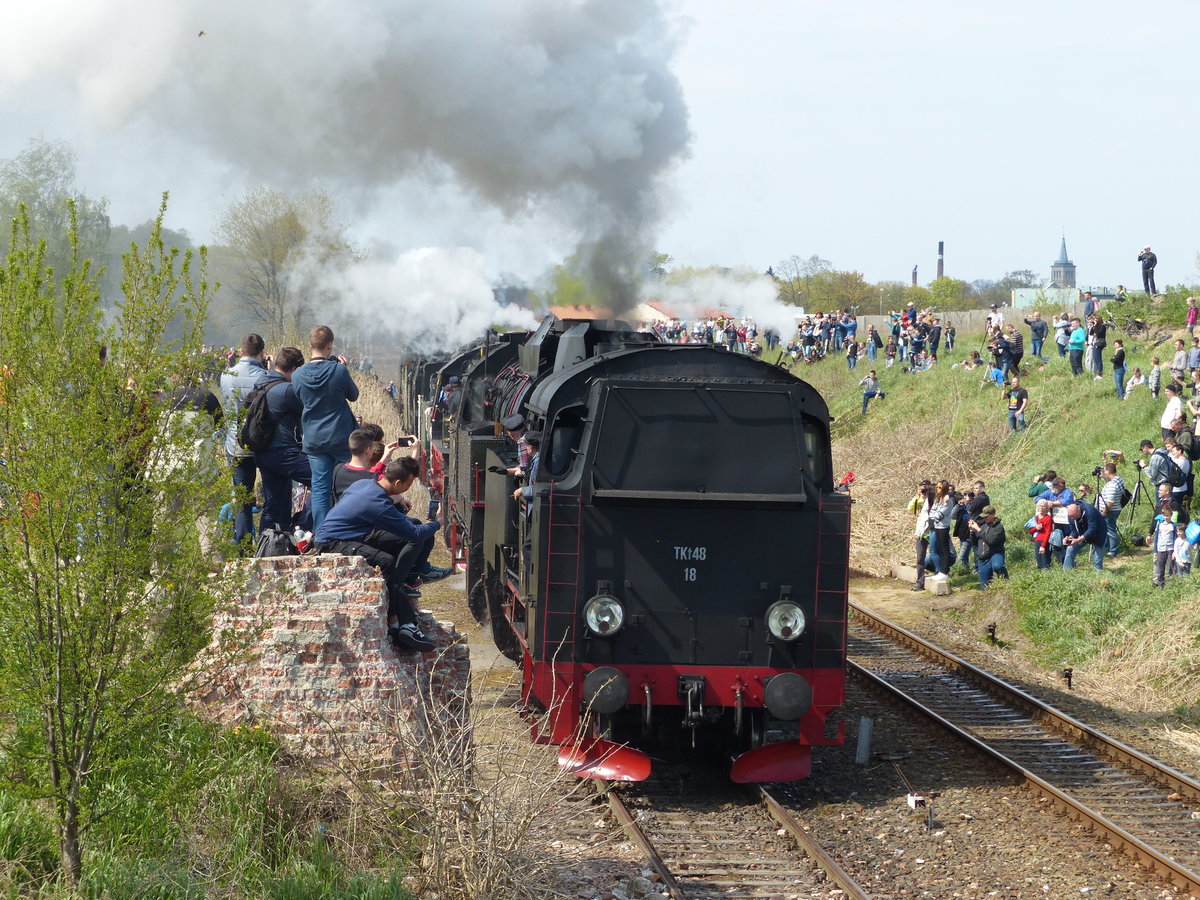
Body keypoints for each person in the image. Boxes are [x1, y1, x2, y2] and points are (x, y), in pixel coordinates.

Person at [313, 457, 440, 652]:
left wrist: (394, 500)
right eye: (408, 485)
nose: (407, 489)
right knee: (386, 561)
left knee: (421, 534)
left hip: (356, 534)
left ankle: (407, 580)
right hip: (332, 542)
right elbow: (412, 534)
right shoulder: (377, 503)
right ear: (397, 483)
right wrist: (440, 522)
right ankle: (397, 617)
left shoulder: (365, 484)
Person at [293, 325, 359, 533]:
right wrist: (342, 368)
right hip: (340, 438)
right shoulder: (338, 370)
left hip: (314, 439)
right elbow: (353, 395)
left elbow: (299, 399)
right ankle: (345, 529)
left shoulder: (298, 375)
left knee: (320, 488)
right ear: (329, 345)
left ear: (311, 345)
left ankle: (322, 535)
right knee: (347, 485)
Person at [252, 346, 312, 535]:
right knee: (324, 480)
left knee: (274, 506)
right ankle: (305, 529)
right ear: (294, 369)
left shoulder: (261, 382)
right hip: (283, 452)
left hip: (263, 452)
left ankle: (267, 549)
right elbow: (310, 408)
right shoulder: (286, 390)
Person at [219, 333, 268, 549]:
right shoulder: (264, 376)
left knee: (242, 498)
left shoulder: (226, 375)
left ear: (241, 350)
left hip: (235, 443)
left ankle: (244, 545)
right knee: (269, 493)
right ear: (262, 352)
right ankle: (269, 541)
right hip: (262, 444)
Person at [1151, 483, 1187, 587]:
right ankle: (1158, 582)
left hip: (1170, 547)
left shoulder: (1174, 503)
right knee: (1159, 565)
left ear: (1167, 492)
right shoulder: (1159, 503)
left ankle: (1171, 582)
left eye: (1161, 490)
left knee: (1170, 565)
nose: (1158, 491)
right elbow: (1154, 521)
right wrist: (1150, 533)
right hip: (1161, 547)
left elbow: (1182, 517)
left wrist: (1181, 530)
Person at [969, 506, 1008, 589]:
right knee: (984, 586)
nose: (984, 518)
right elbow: (975, 542)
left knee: (997, 566)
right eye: (983, 516)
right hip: (983, 557)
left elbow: (991, 541)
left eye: (986, 516)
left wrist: (978, 530)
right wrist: (972, 532)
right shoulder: (983, 526)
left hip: (995, 553)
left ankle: (1006, 582)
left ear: (993, 515)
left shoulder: (999, 527)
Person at [1062, 501, 1106, 570]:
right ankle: (1067, 571)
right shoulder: (1071, 515)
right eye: (1071, 517)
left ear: (1079, 509)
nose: (1073, 519)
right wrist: (1070, 538)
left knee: (1097, 561)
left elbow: (1092, 529)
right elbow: (1074, 531)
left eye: (1075, 516)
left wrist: (1078, 540)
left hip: (1098, 533)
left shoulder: (1090, 510)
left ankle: (1098, 575)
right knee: (1070, 549)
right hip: (1083, 533)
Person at [1096, 463, 1125, 559]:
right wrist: (1104, 477)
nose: (1103, 473)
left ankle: (1113, 551)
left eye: (1104, 471)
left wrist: (1104, 512)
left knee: (1110, 530)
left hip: (1110, 510)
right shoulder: (1118, 480)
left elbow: (1110, 502)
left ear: (1108, 471)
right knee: (1109, 529)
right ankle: (1109, 547)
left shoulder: (1112, 485)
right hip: (1115, 508)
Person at [908, 481, 933, 591]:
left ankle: (940, 572)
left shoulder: (935, 501)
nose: (923, 492)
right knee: (920, 558)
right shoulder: (921, 499)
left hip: (932, 531)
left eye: (925, 490)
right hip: (920, 533)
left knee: (937, 554)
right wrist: (919, 496)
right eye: (922, 490)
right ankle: (920, 582)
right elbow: (910, 508)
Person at [927, 480, 955, 577]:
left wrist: (935, 514)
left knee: (945, 549)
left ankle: (945, 572)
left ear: (944, 488)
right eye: (937, 487)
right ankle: (941, 571)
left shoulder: (948, 500)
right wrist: (934, 514)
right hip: (937, 526)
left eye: (940, 487)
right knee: (940, 549)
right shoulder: (938, 499)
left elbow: (939, 515)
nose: (937, 489)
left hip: (943, 527)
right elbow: (931, 513)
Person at [1030, 499, 1054, 569]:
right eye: (1039, 506)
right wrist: (1036, 528)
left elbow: (1048, 533)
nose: (1041, 508)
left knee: (1045, 562)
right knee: (1039, 561)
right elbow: (1030, 531)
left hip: (1045, 541)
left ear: (1046, 508)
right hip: (1037, 541)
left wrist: (1043, 546)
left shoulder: (1048, 518)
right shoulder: (1035, 518)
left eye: (1043, 506)